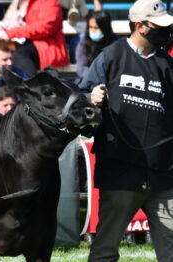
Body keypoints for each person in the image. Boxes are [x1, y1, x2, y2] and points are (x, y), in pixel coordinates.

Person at [79, 0, 173, 261]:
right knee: (105, 249)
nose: (167, 31)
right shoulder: (110, 56)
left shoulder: (168, 65)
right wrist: (90, 97)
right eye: (160, 26)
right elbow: (80, 97)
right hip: (120, 172)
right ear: (141, 26)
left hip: (163, 175)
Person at [0, 0, 69, 77]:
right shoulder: (26, 3)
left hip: (49, 47)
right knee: (1, 52)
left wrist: (13, 33)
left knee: (19, 55)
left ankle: (30, 86)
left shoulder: (49, 2)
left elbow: (45, 28)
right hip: (33, 44)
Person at [75, 10, 116, 83]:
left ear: (105, 28)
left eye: (96, 28)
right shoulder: (83, 45)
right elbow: (81, 69)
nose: (93, 30)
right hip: (88, 83)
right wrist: (98, 80)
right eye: (90, 27)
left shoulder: (115, 44)